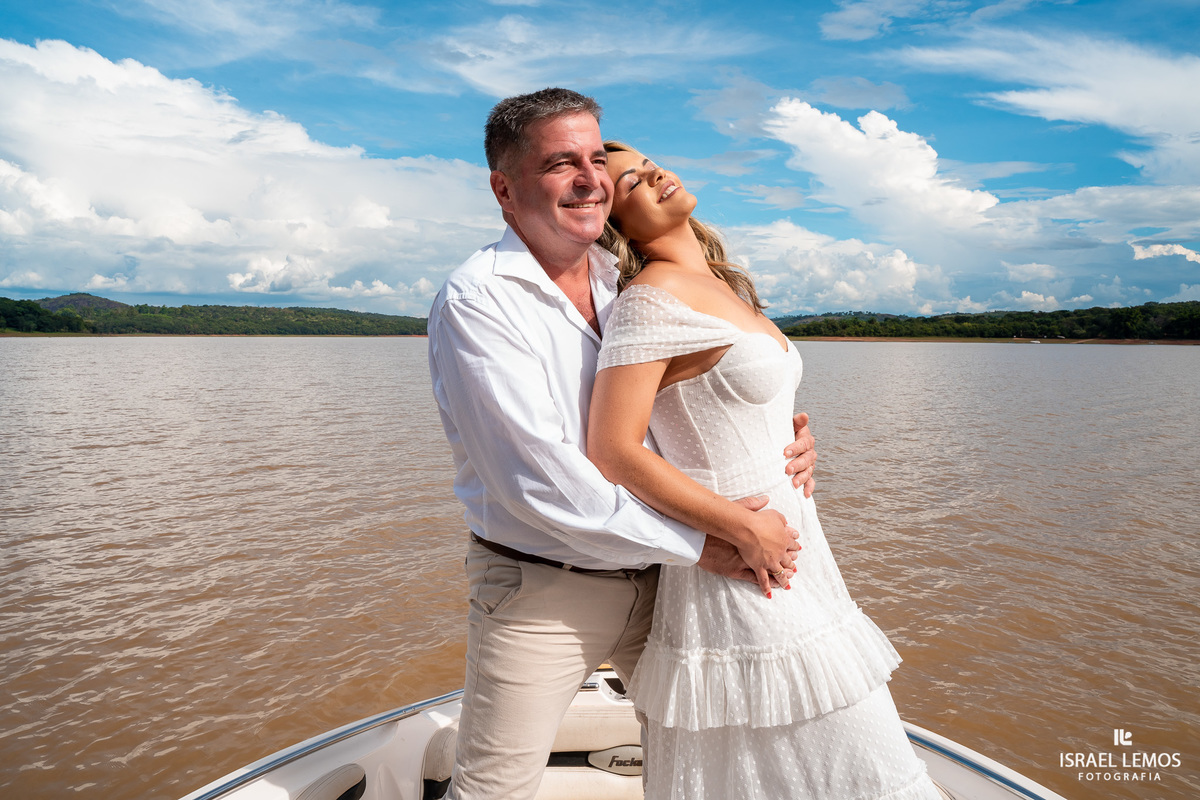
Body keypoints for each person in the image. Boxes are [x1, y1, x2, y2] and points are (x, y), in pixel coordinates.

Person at [427, 89, 818, 800]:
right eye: (559, 164)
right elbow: (543, 483)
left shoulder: (625, 283)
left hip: (673, 585)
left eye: (593, 159)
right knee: (494, 789)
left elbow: (687, 411)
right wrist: (714, 541)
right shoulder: (479, 300)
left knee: (706, 759)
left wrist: (789, 444)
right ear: (504, 189)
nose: (589, 178)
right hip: (547, 590)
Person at [587, 141, 942, 799]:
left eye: (649, 161)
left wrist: (799, 440)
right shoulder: (651, 297)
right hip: (745, 567)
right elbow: (613, 448)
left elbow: (730, 409)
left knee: (817, 765)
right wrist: (738, 530)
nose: (656, 172)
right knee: (862, 761)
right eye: (631, 181)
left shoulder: (720, 286)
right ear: (617, 226)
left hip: (797, 556)